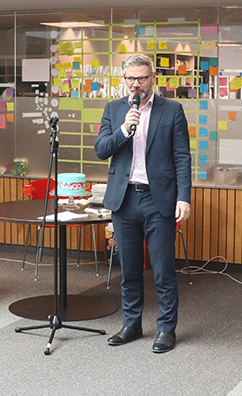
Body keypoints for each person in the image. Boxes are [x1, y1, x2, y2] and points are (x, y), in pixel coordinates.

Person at [94, 54, 191, 353]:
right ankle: (132, 324)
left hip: (157, 199)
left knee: (163, 270)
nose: (136, 85)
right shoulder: (114, 110)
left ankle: (166, 329)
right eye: (130, 79)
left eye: (141, 78)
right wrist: (123, 129)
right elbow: (101, 150)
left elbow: (182, 158)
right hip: (124, 200)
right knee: (130, 269)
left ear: (153, 79)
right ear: (124, 80)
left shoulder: (172, 110)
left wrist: (184, 197)